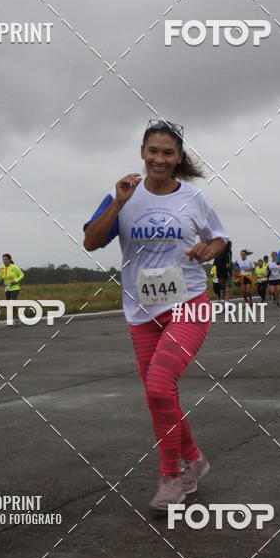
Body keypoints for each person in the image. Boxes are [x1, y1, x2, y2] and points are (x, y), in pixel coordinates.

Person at [83, 119, 228, 512]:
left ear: (178, 158)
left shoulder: (193, 198)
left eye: (167, 153)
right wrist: (118, 203)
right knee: (158, 395)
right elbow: (91, 242)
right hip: (141, 311)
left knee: (161, 387)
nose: (159, 159)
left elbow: (219, 237)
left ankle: (171, 477)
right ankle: (194, 460)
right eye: (153, 151)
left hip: (188, 304)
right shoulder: (123, 195)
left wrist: (208, 250)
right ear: (142, 153)